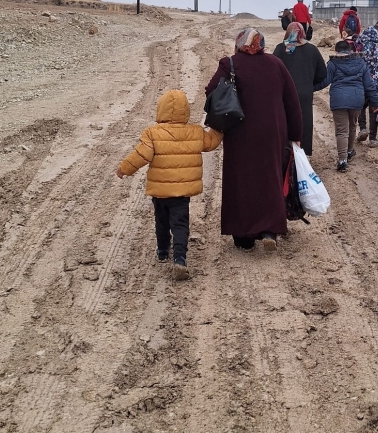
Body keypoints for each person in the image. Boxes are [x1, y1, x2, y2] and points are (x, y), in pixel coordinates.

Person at [205, 28, 302, 252]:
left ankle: (243, 236)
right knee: (270, 177)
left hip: (239, 132)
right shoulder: (276, 64)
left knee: (241, 180)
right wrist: (296, 135)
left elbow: (210, 91)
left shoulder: (229, 63)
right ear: (262, 44)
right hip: (272, 132)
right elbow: (292, 101)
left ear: (239, 43)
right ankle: (269, 230)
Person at [116, 89, 223, 280]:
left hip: (160, 191)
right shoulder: (195, 132)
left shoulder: (152, 133)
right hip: (182, 193)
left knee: (161, 220)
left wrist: (124, 169)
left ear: (161, 110)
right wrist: (221, 127)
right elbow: (212, 142)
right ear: (186, 111)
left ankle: (163, 250)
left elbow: (141, 155)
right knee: (180, 223)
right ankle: (180, 258)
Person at [314, 40, 378, 171]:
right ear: (350, 50)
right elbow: (369, 85)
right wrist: (375, 102)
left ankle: (342, 160)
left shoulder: (333, 64)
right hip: (356, 100)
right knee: (352, 126)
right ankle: (349, 151)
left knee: (341, 131)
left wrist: (308, 87)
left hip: (339, 100)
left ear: (337, 51)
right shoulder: (361, 63)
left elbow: (325, 82)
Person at [273, 22, 327, 156]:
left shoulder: (281, 49)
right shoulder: (312, 49)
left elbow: (272, 71)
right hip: (304, 93)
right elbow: (322, 74)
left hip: (284, 94)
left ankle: (285, 152)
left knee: (285, 121)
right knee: (304, 122)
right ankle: (303, 153)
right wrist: (309, 83)